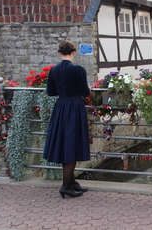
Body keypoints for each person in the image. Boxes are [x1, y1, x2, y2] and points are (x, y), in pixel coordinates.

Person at [43, 40, 91, 199]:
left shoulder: (54, 70)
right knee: (71, 144)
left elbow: (50, 92)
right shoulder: (78, 70)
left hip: (61, 107)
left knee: (66, 143)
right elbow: (86, 92)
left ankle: (71, 183)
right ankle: (65, 186)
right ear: (73, 52)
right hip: (74, 108)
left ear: (59, 53)